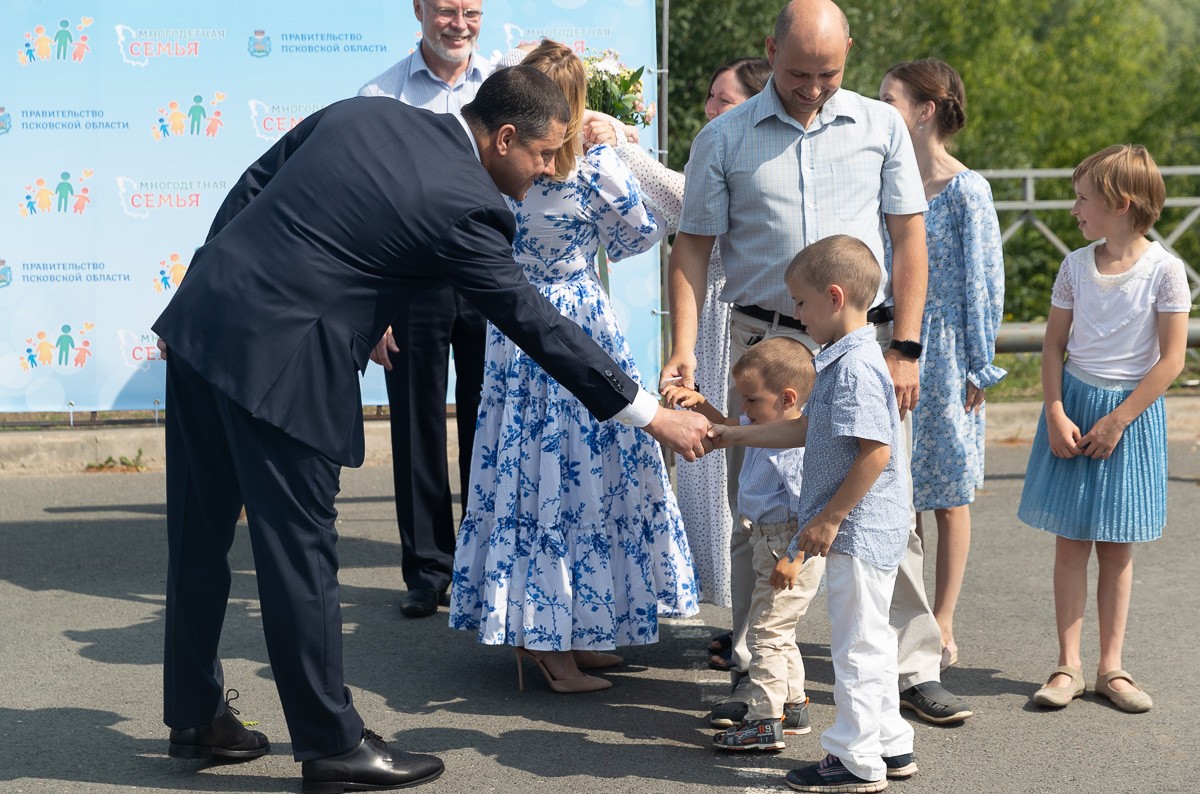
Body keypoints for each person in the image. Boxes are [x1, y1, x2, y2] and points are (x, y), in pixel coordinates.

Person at [152, 65, 711, 793]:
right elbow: (534, 323)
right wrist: (650, 413)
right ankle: (332, 747)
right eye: (542, 154)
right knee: (301, 558)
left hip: (203, 325)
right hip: (284, 363)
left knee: (197, 538)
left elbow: (257, 184)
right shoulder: (468, 204)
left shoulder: (364, 115)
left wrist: (204, 275)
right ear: (502, 137)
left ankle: (195, 716)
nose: (548, 169)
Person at [667, 0, 972, 727]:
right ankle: (759, 671)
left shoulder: (879, 126)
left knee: (881, 507)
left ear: (850, 54)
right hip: (763, 346)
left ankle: (912, 666)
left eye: (828, 73)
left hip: (857, 345)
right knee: (760, 512)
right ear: (770, 51)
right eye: (798, 72)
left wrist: (905, 346)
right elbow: (692, 247)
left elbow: (909, 243)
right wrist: (682, 349)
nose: (812, 87)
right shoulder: (724, 136)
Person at [449, 40, 699, 693]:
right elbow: (640, 237)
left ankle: (562, 635)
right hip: (580, 324)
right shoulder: (593, 169)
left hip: (514, 328)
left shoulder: (497, 168)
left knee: (531, 481)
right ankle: (559, 647)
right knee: (585, 482)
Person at [715, 236, 917, 791]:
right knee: (871, 638)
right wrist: (731, 434)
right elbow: (808, 430)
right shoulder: (845, 359)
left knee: (857, 645)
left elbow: (875, 451)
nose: (797, 315)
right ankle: (891, 746)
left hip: (858, 527)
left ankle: (855, 758)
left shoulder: (853, 366)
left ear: (833, 297)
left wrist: (828, 518)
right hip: (864, 525)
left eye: (801, 304)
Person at [604, 56, 770, 667]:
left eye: (723, 101)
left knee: (748, 482)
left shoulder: (753, 158)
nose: (710, 110)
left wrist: (621, 145)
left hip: (742, 330)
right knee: (708, 476)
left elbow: (681, 200)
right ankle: (743, 622)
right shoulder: (720, 148)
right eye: (708, 96)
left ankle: (758, 632)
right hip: (708, 332)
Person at [1019, 144, 1188, 713]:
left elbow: (1171, 360)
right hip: (1076, 406)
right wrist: (1055, 408)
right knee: (1072, 540)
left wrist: (1119, 419)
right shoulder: (1075, 265)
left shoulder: (1165, 271)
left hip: (1130, 417)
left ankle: (1110, 667)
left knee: (1117, 546)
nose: (1074, 209)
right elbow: (1053, 344)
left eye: (1083, 198)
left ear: (1120, 203)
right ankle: (1066, 664)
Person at [358, 0, 491, 619]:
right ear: (419, 10)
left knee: (488, 428)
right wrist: (375, 304)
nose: (458, 23)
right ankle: (428, 571)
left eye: (471, 10)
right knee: (414, 425)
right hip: (411, 280)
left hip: (490, 273)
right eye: (445, 10)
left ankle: (485, 568)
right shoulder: (380, 94)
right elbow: (367, 203)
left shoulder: (502, 88)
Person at [879, 59, 1006, 670]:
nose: (881, 109)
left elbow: (986, 282)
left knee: (950, 495)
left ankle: (945, 619)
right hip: (895, 340)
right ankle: (913, 621)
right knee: (902, 492)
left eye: (890, 99)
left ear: (925, 110)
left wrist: (980, 364)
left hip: (949, 351)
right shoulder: (892, 181)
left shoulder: (967, 189)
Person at [662, 337, 822, 751]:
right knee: (777, 630)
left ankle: (764, 722)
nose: (744, 410)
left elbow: (813, 511)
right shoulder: (763, 427)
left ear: (787, 399)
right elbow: (727, 429)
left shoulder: (796, 448)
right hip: (770, 542)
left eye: (751, 400)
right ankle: (793, 704)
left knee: (765, 635)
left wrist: (796, 557)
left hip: (790, 545)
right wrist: (698, 405)